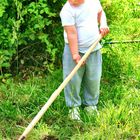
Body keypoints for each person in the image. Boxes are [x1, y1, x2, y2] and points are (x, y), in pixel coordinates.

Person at [60, 0, 109, 121]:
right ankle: (73, 107)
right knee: (73, 79)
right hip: (74, 50)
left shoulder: (93, 2)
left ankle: (91, 104)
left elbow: (100, 13)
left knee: (94, 78)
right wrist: (75, 55)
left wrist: (103, 23)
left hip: (94, 48)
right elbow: (71, 33)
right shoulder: (67, 10)